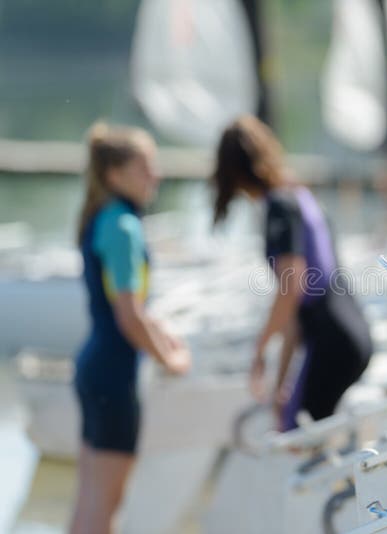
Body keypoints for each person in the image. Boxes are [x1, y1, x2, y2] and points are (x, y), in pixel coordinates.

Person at [210, 115, 372, 431]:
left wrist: (259, 350)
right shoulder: (300, 197)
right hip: (350, 333)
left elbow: (290, 287)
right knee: (299, 429)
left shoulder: (279, 208)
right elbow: (296, 315)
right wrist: (283, 384)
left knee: (298, 435)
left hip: (332, 340)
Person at [71, 123, 192, 534]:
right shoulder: (123, 226)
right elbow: (128, 315)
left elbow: (127, 308)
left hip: (95, 366)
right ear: (114, 175)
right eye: (144, 167)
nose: (154, 176)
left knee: (90, 500)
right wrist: (171, 360)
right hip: (113, 373)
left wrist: (158, 333)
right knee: (106, 505)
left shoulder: (105, 218)